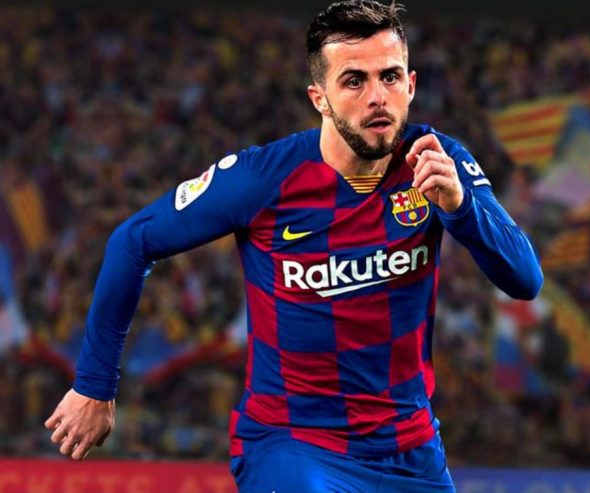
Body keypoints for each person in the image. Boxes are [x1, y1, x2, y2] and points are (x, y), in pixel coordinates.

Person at [45, 1, 543, 491]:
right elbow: (133, 241)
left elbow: (525, 280)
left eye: (390, 77)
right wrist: (94, 384)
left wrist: (460, 208)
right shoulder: (263, 178)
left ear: (411, 85)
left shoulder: (437, 161)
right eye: (354, 81)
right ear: (319, 98)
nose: (377, 97)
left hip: (411, 452)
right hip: (293, 446)